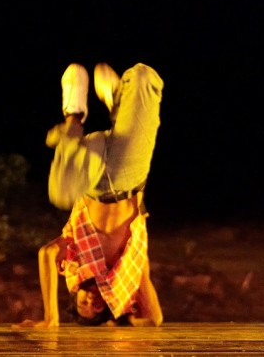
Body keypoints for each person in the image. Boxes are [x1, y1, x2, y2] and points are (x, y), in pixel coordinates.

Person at [18, 62, 164, 327]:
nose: (91, 301)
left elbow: (46, 254)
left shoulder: (74, 263)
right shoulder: (131, 272)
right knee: (144, 77)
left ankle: (74, 114)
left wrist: (51, 318)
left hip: (91, 179)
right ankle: (119, 101)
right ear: (107, 307)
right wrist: (126, 321)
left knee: (61, 193)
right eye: (97, 307)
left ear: (74, 296)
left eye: (83, 304)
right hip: (128, 176)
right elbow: (155, 319)